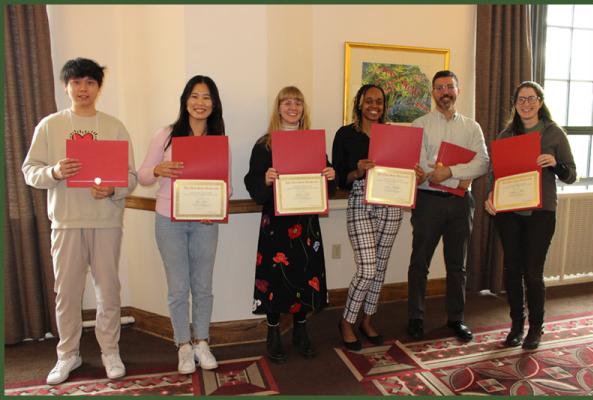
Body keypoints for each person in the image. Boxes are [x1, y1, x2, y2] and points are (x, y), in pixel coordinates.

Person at [22, 58, 136, 384]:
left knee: (108, 291)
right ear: (66, 86)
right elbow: (30, 171)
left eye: (89, 82)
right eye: (76, 82)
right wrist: (55, 172)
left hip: (105, 222)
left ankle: (110, 351)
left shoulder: (114, 126)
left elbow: (129, 177)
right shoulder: (49, 125)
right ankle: (67, 354)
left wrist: (113, 188)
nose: (82, 88)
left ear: (98, 87)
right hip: (66, 221)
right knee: (67, 293)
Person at [138, 75, 226, 374]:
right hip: (169, 220)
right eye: (195, 96)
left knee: (203, 286)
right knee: (178, 288)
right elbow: (143, 176)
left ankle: (202, 341)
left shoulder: (217, 140)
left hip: (204, 222)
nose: (200, 103)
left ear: (214, 104)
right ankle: (183, 346)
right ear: (185, 100)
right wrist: (158, 168)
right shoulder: (165, 135)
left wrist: (214, 206)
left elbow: (225, 188)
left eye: (206, 97)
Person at [244, 86, 336, 362]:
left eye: (298, 102)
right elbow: (253, 184)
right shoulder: (264, 145)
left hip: (305, 222)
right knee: (273, 278)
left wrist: (330, 175)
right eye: (287, 102)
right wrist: (266, 179)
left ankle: (300, 330)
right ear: (278, 107)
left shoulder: (313, 142)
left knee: (304, 275)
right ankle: (273, 333)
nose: (292, 107)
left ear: (303, 108)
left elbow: (326, 186)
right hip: (276, 224)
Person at [332, 84, 425, 350]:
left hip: (391, 201)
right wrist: (357, 171)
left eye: (380, 102)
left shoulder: (394, 134)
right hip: (360, 198)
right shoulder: (345, 134)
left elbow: (404, 169)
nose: (374, 105)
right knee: (367, 268)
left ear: (384, 106)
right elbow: (339, 177)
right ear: (359, 103)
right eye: (369, 100)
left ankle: (367, 321)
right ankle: (347, 321)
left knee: (380, 267)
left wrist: (414, 175)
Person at [484, 81, 576, 349]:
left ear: (540, 101)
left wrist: (554, 164)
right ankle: (516, 326)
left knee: (533, 273)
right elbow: (495, 174)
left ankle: (536, 328)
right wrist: (491, 197)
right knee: (512, 270)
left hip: (541, 211)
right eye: (521, 99)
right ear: (514, 103)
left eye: (531, 98)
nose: (526, 103)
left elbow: (571, 175)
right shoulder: (505, 135)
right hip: (509, 212)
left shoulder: (554, 133)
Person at [406, 70, 489, 342]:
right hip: (428, 202)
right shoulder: (419, 124)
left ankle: (456, 318)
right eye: (440, 88)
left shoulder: (471, 127)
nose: (445, 92)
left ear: (458, 90)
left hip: (460, 204)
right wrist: (442, 173)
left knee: (458, 265)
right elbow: (421, 165)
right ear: (433, 92)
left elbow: (483, 163)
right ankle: (415, 319)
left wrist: (449, 170)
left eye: (450, 87)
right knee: (420, 263)